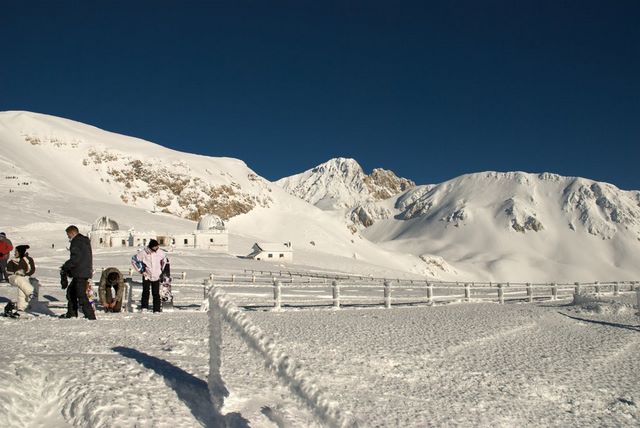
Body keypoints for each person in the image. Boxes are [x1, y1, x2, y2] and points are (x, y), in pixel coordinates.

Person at [60, 225, 96, 320]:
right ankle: (71, 313)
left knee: (81, 295)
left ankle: (90, 316)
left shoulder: (76, 242)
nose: (68, 237)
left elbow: (75, 258)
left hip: (79, 272)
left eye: (68, 235)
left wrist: (66, 266)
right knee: (71, 292)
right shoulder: (85, 241)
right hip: (84, 271)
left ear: (72, 233)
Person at [134, 239, 167, 313]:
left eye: (157, 246)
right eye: (155, 247)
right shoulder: (144, 253)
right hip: (147, 275)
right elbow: (134, 260)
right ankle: (144, 307)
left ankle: (156, 309)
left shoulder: (160, 253)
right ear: (151, 246)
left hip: (156, 275)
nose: (156, 248)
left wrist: (161, 271)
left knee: (156, 293)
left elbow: (164, 261)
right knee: (145, 292)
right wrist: (141, 270)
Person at [6, 245, 36, 311]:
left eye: (16, 251)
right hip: (12, 278)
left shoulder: (28, 259)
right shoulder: (12, 261)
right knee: (19, 279)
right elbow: (8, 272)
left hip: (24, 278)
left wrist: (24, 273)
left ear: (21, 251)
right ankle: (31, 292)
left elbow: (32, 269)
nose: (15, 253)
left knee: (22, 283)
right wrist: (16, 273)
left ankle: (21, 306)